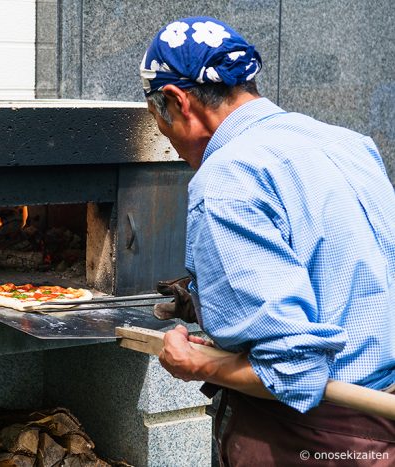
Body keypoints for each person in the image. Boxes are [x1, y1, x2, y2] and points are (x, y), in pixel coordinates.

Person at [140, 16, 395, 465]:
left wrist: (195, 363)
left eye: (156, 117)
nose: (169, 143)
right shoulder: (348, 142)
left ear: (178, 102)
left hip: (315, 439)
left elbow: (295, 372)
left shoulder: (226, 179)